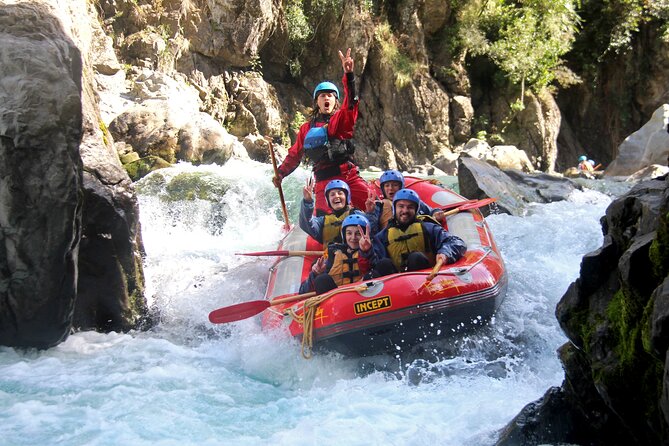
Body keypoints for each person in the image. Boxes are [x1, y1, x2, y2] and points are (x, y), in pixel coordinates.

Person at [272, 48, 373, 215]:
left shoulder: (339, 120)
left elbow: (351, 104)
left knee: (374, 205)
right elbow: (294, 155)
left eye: (330, 96)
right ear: (316, 101)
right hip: (323, 180)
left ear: (335, 101)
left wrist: (349, 76)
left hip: (347, 176)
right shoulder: (306, 128)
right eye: (322, 96)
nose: (326, 98)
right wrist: (281, 173)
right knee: (322, 222)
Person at [369, 189, 467, 277]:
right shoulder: (382, 236)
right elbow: (373, 262)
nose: (405, 211)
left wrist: (445, 253)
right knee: (384, 264)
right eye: (401, 206)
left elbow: (457, 242)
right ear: (395, 209)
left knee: (416, 258)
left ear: (416, 210)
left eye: (410, 207)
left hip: (425, 279)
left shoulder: (429, 228)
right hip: (397, 285)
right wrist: (366, 250)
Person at [299, 214, 373, 295]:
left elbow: (377, 270)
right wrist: (315, 274)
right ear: (344, 235)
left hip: (365, 297)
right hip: (338, 300)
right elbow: (303, 291)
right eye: (349, 233)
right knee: (321, 279)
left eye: (358, 234)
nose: (353, 237)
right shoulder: (332, 253)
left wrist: (367, 252)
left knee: (383, 265)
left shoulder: (372, 250)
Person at [299, 178, 376, 246]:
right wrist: (308, 202)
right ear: (328, 200)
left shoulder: (357, 215)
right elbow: (306, 223)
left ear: (347, 197)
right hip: (331, 260)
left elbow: (372, 231)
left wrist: (370, 213)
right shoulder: (323, 221)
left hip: (355, 259)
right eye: (332, 194)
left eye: (340, 193)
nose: (336, 196)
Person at [373, 169, 443, 230]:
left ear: (401, 187)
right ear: (383, 189)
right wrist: (369, 212)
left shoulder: (411, 200)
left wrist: (436, 213)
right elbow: (371, 227)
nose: (391, 188)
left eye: (395, 185)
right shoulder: (379, 205)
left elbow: (431, 211)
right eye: (387, 185)